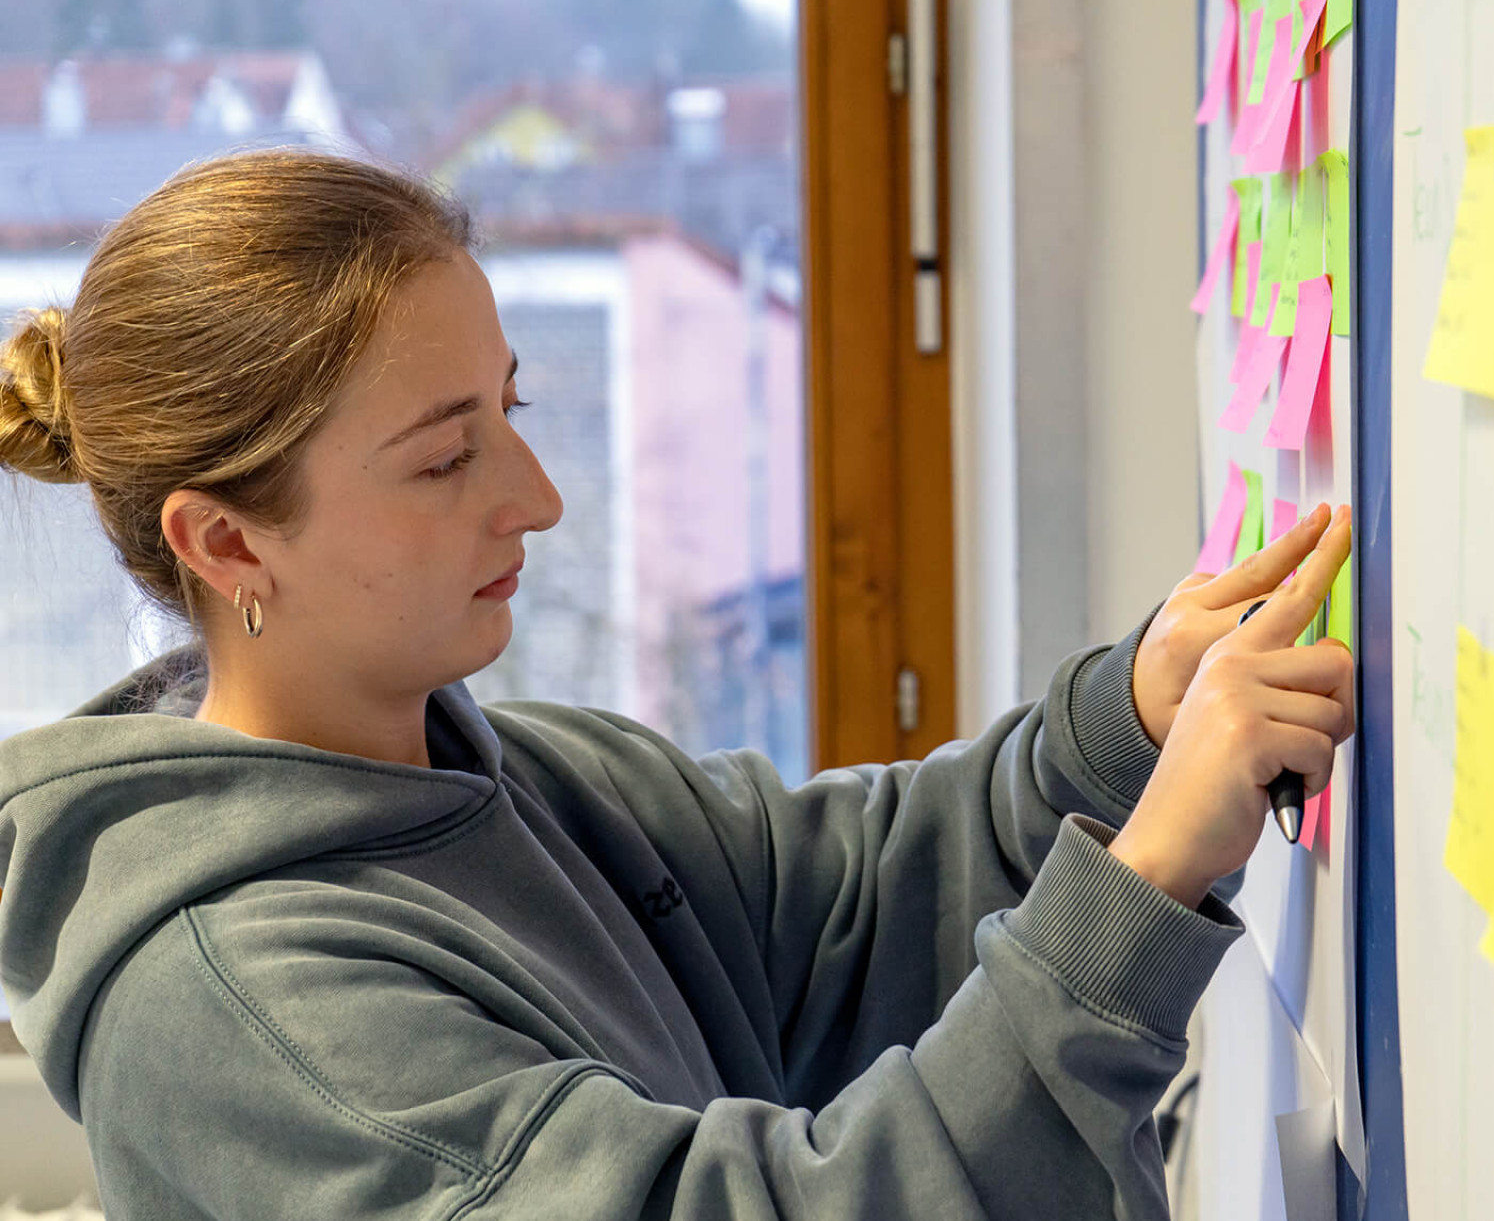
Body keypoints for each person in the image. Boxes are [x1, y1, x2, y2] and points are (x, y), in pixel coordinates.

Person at [0, 148, 1354, 1220]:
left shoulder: (522, 774)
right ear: (226, 542)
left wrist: (1128, 725)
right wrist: (1142, 886)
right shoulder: (248, 1012)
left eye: (511, 412)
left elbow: (853, 902)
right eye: (443, 459)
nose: (537, 498)